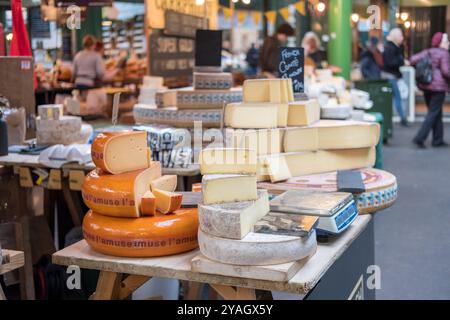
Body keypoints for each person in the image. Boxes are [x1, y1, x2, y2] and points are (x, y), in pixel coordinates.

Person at [410, 32, 450, 148]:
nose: (448, 43)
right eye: (446, 41)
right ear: (441, 43)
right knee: (433, 113)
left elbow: (412, 59)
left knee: (436, 113)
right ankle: (419, 138)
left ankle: (438, 139)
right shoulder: (444, 53)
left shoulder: (428, 51)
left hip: (426, 87)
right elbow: (446, 71)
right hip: (438, 88)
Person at [382, 28, 409, 126]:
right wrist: (402, 62)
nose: (402, 38)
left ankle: (400, 118)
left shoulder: (393, 47)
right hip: (390, 76)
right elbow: (390, 62)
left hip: (391, 76)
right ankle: (402, 118)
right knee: (397, 97)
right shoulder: (390, 47)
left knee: (395, 97)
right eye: (400, 36)